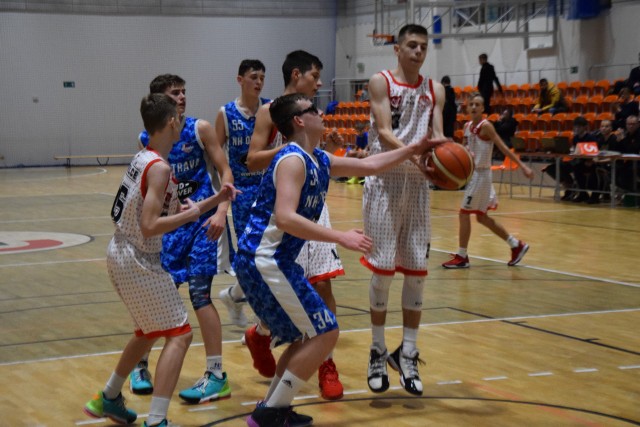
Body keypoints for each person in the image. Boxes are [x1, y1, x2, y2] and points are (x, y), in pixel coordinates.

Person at [236, 93, 440, 427]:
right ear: (300, 120)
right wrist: (340, 236)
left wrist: (413, 148)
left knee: (309, 335)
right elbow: (285, 218)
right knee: (326, 332)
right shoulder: (292, 160)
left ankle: (271, 408)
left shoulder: (318, 158)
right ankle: (271, 412)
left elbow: (372, 165)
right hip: (264, 258)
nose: (320, 112)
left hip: (277, 260)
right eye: (313, 109)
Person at [83, 94, 238, 427]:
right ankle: (156, 419)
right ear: (171, 122)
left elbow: (159, 209)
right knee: (180, 335)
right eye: (178, 116)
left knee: (147, 332)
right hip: (138, 258)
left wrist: (216, 199)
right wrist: (194, 213)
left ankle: (108, 397)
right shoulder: (161, 168)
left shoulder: (144, 157)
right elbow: (151, 225)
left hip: (121, 252)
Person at [245, 50, 347, 401]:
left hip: (311, 201)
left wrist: (322, 148)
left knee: (324, 284)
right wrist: (294, 150)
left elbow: (329, 164)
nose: (319, 83)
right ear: (297, 75)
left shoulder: (311, 123)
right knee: (292, 291)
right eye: (315, 76)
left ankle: (326, 364)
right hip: (282, 206)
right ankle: (262, 333)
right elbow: (252, 159)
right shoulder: (270, 110)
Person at [135, 74, 236, 404]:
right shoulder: (148, 139)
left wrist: (221, 212)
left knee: (200, 293)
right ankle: (141, 365)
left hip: (203, 222)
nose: (181, 98)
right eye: (174, 93)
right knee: (156, 298)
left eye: (183, 92)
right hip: (170, 226)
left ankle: (216, 373)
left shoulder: (199, 128)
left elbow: (225, 171)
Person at [362, 23, 448, 397]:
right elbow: (383, 132)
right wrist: (418, 155)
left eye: (423, 47)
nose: (418, 52)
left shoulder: (435, 90)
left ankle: (408, 352)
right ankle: (378, 350)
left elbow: (439, 136)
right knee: (382, 272)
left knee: (417, 273)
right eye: (411, 45)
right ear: (397, 49)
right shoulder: (380, 82)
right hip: (385, 180)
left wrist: (445, 159)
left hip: (416, 186)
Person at [441, 93, 533, 270]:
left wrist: (522, 166)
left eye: (477, 104)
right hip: (473, 175)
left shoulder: (487, 126)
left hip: (482, 175)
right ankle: (516, 245)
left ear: (483, 109)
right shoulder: (467, 127)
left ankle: (462, 256)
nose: (474, 107)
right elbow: (465, 152)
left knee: (463, 213)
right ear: (467, 108)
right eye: (471, 104)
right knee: (482, 218)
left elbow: (503, 147)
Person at [216, 59, 270, 328]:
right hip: (241, 193)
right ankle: (258, 321)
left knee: (266, 254)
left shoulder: (270, 109)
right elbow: (215, 155)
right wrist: (223, 192)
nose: (258, 82)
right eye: (253, 77)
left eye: (262, 77)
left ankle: (235, 297)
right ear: (240, 79)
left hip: (268, 189)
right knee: (250, 256)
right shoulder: (226, 113)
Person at [569, 116, 599, 203]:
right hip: (580, 161)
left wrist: (590, 160)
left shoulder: (591, 138)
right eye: (575, 126)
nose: (577, 128)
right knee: (574, 167)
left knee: (593, 170)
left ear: (585, 127)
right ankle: (582, 193)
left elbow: (595, 152)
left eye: (579, 126)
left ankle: (595, 195)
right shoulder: (575, 138)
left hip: (591, 161)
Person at [610, 115, 640, 192]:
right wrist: (618, 141)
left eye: (633, 124)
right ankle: (628, 192)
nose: (631, 126)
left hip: (637, 162)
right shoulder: (626, 135)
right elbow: (619, 150)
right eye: (629, 124)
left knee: (627, 172)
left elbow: (633, 149)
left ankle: (633, 193)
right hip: (627, 162)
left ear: (638, 124)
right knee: (613, 169)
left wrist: (623, 140)